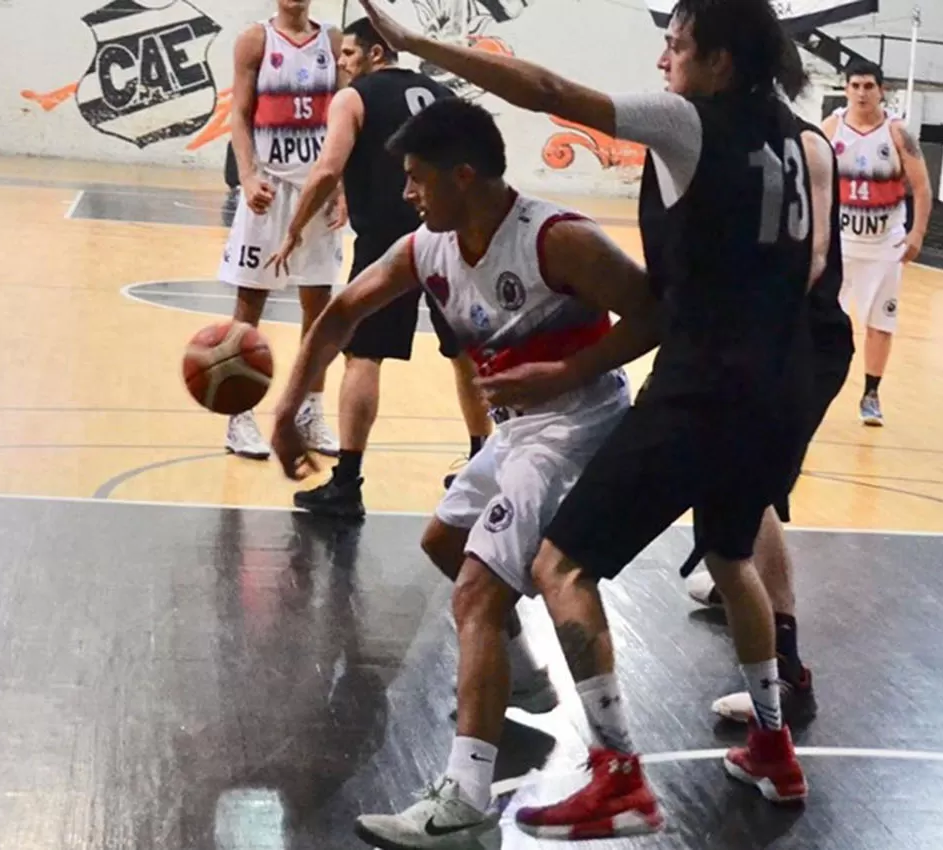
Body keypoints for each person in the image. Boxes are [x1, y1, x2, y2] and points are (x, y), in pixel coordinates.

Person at [353, 0, 836, 838]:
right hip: (781, 382)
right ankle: (772, 741)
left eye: (677, 47)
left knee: (561, 567)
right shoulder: (800, 137)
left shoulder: (689, 122)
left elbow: (544, 89)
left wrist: (417, 43)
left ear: (719, 63)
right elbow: (813, 264)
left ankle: (618, 780)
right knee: (730, 554)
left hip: (701, 385)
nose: (664, 63)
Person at [266, 97, 662, 847]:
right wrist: (290, 408)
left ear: (466, 175)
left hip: (577, 427)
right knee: (444, 545)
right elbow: (344, 312)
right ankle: (523, 673)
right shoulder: (429, 247)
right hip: (516, 431)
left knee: (479, 587)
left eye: (417, 179)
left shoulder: (558, 239)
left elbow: (655, 314)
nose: (408, 194)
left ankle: (467, 800)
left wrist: (566, 371)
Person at [265, 16, 491, 517]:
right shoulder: (438, 92)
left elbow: (327, 168)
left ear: (375, 53)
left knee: (362, 357)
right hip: (450, 234)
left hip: (391, 242)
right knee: (464, 354)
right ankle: (484, 467)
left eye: (348, 53)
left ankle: (347, 483)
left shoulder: (355, 96)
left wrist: (295, 227)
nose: (341, 63)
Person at [680, 109, 853, 728]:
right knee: (747, 489)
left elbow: (811, 258)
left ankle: (788, 672)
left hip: (800, 338)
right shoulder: (732, 136)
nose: (666, 59)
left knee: (750, 488)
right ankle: (735, 571)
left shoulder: (803, 142)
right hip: (767, 340)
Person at [218, 0, 343, 460]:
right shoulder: (255, 39)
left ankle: (309, 412)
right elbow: (240, 114)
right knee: (248, 310)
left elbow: (343, 122)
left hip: (318, 192)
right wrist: (248, 177)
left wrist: (342, 186)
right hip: (269, 192)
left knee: (320, 313)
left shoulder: (331, 41)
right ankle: (239, 416)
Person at [822, 59, 932, 427]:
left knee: (880, 324)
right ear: (846, 89)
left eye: (869, 85)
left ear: (881, 89)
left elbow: (921, 187)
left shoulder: (898, 134)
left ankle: (871, 392)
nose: (862, 92)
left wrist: (916, 232)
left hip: (885, 244)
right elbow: (813, 183)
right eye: (855, 85)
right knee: (819, 318)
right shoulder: (831, 130)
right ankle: (812, 386)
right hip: (839, 244)